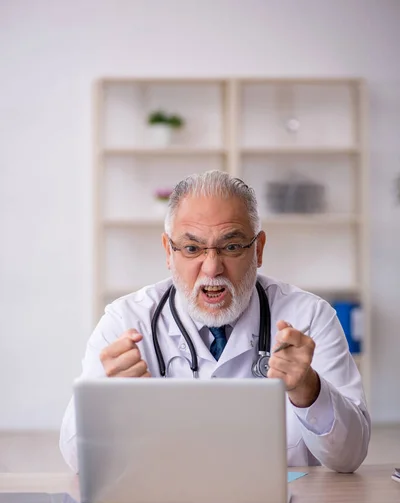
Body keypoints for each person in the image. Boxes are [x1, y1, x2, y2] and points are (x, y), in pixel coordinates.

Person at [60, 170, 370, 473]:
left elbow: (350, 456)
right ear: (169, 252)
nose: (211, 268)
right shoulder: (126, 321)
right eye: (192, 248)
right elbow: (76, 459)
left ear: (258, 249)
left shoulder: (310, 318)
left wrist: (308, 389)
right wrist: (110, 403)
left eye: (231, 247)